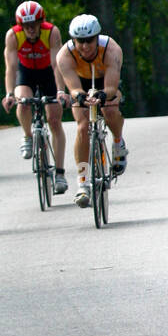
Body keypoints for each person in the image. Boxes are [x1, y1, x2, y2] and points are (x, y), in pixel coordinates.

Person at [55, 14, 127, 207]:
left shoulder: (111, 49)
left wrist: (104, 96)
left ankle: (118, 143)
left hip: (106, 82)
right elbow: (73, 87)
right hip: (80, 83)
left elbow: (111, 88)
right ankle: (83, 182)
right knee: (82, 126)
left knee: (110, 111)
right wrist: (79, 96)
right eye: (80, 41)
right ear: (73, 40)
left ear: (97, 37)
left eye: (89, 41)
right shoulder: (64, 55)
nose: (85, 46)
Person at [1, 1, 70, 194]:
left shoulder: (52, 32)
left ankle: (60, 173)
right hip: (26, 73)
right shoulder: (13, 35)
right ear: (20, 25)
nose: (30, 29)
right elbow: (11, 68)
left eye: (34, 24)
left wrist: (60, 91)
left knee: (54, 120)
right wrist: (8, 94)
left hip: (48, 72)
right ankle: (28, 136)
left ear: (41, 22)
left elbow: (57, 65)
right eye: (26, 25)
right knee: (23, 103)